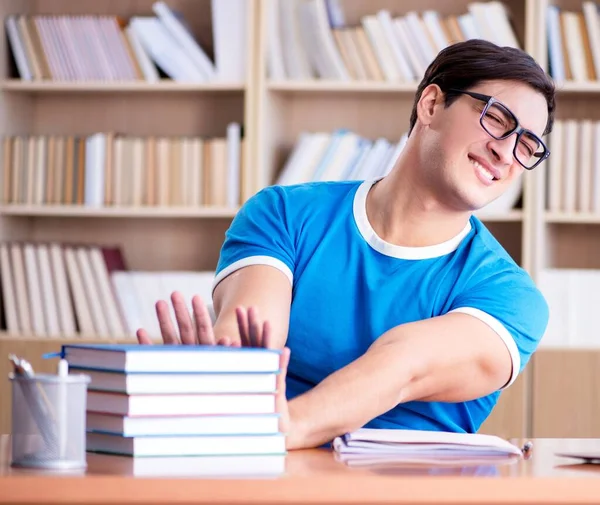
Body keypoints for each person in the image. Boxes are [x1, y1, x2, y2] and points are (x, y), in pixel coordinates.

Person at [137, 39, 555, 450]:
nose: (506, 153)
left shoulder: (513, 298)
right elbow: (251, 336)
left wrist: (281, 425)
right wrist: (221, 380)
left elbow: (403, 366)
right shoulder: (284, 213)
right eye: (497, 119)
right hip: (267, 480)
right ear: (431, 105)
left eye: (527, 145)